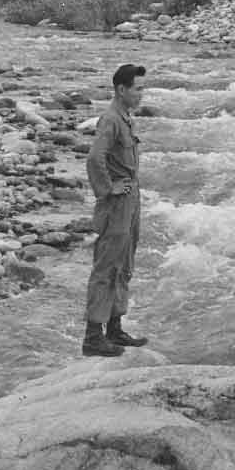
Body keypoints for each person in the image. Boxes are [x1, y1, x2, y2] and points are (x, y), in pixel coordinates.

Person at [81, 62, 149, 356]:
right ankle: (93, 337)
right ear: (121, 90)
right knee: (107, 266)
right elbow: (95, 158)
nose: (142, 94)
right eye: (138, 88)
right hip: (117, 203)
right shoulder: (110, 119)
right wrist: (108, 189)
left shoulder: (125, 118)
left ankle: (115, 327)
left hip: (131, 198)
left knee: (124, 264)